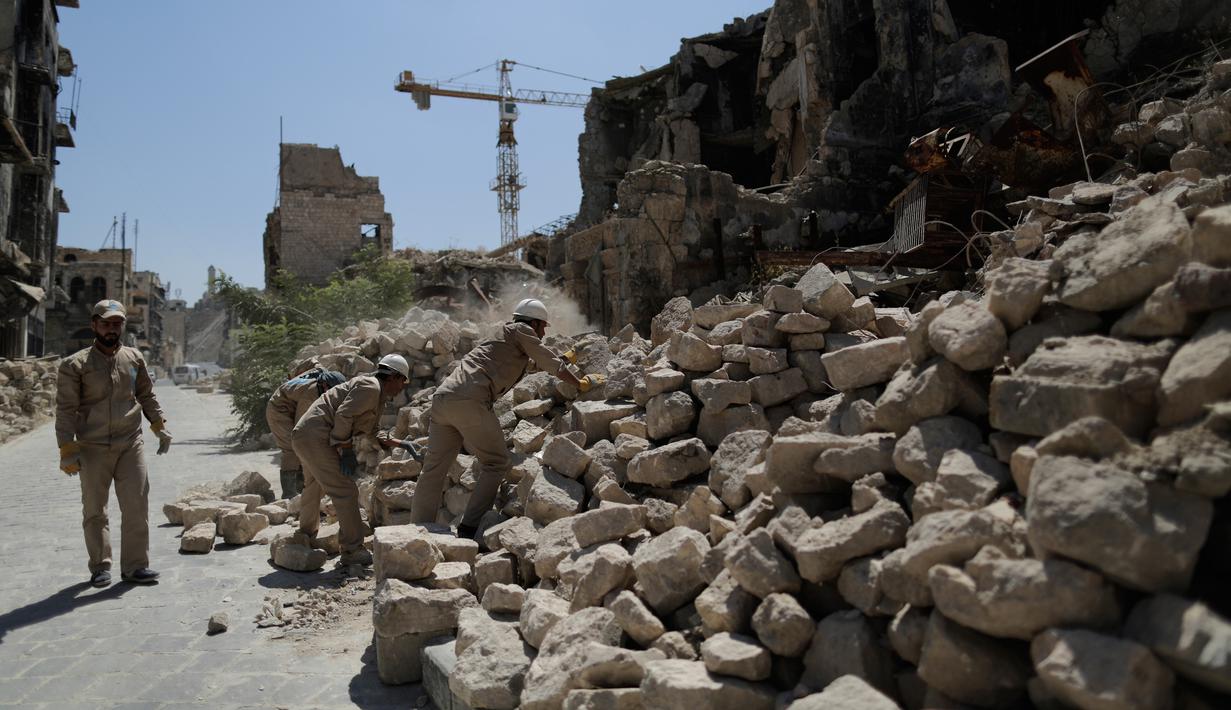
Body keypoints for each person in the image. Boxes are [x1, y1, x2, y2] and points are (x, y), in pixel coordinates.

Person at [404, 298, 604, 539]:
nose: (541, 333)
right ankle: (469, 529)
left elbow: (532, 365)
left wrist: (565, 358)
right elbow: (547, 362)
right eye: (542, 327)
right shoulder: (522, 330)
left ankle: (416, 531)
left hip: (443, 400)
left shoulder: (504, 336)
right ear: (534, 322)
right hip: (470, 401)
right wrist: (580, 383)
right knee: (496, 462)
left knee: (434, 469)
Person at [56, 299, 171, 588]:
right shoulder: (75, 365)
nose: (111, 329)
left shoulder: (134, 359)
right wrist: (67, 449)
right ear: (94, 324)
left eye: (116, 323)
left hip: (130, 443)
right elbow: (66, 409)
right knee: (95, 509)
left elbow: (146, 395)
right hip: (92, 447)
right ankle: (100, 567)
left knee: (136, 505)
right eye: (105, 323)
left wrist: (159, 425)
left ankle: (136, 566)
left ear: (123, 326)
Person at [290, 354, 409, 566]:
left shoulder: (376, 393)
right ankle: (352, 550)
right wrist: (345, 450)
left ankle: (304, 538)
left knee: (315, 485)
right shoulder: (371, 388)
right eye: (403, 381)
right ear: (393, 376)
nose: (402, 387)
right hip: (315, 436)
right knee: (345, 490)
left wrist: (400, 444)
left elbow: (372, 431)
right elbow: (343, 416)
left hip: (306, 435)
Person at [265, 368, 347, 499]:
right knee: (292, 448)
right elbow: (302, 426)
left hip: (289, 406)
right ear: (326, 386)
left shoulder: (321, 380)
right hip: (278, 410)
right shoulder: (311, 393)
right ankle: (289, 494)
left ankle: (301, 488)